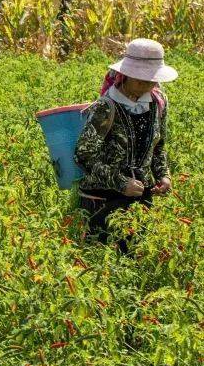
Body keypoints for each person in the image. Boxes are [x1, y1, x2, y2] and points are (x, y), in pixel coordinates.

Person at [75, 38, 177, 252]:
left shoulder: (158, 102)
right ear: (126, 75)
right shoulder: (106, 106)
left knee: (136, 257)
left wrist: (163, 175)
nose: (148, 85)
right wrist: (121, 183)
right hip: (103, 198)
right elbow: (84, 155)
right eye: (141, 80)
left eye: (152, 80)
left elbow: (159, 146)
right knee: (102, 260)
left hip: (140, 196)